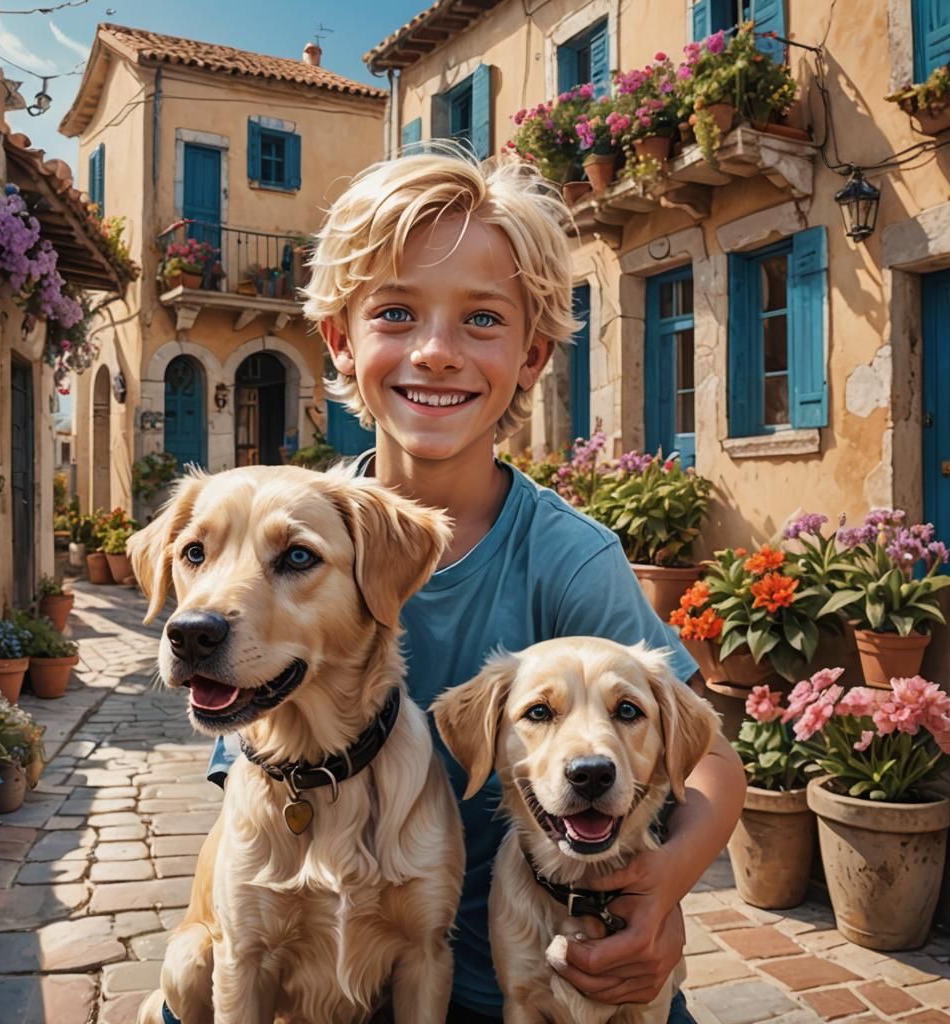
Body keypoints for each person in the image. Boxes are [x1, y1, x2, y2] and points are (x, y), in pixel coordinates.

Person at [206, 150, 746, 1023]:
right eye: (395, 313)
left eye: (482, 319)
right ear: (340, 339)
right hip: (351, 987)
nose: (435, 352)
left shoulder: (569, 558)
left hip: (539, 980)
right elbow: (249, 781)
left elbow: (714, 762)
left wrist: (660, 890)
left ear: (532, 355)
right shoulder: (291, 537)